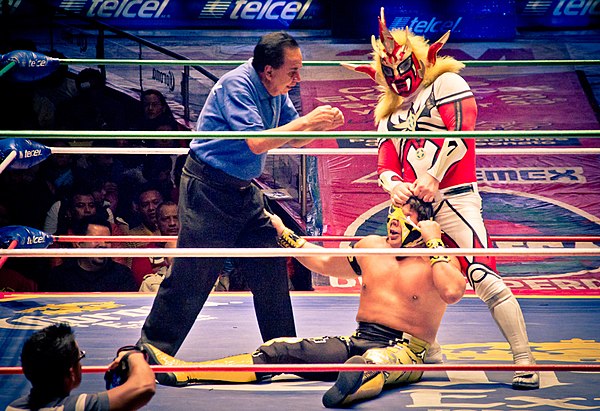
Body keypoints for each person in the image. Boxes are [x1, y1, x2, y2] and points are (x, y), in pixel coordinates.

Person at [346, 8, 538, 389]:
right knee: (415, 276)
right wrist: (393, 186)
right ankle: (426, 346)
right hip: (412, 206)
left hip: (454, 196)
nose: (400, 80)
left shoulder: (447, 84)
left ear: (418, 61)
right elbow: (385, 161)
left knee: (481, 274)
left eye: (404, 69)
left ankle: (524, 358)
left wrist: (433, 176)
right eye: (391, 75)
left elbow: (463, 134)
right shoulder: (387, 113)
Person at [141, 197, 466, 408]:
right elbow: (324, 262)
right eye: (392, 215)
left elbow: (453, 292)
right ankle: (186, 371)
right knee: (279, 349)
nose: (393, 222)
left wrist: (435, 239)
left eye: (403, 217)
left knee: (377, 361)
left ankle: (352, 385)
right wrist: (284, 233)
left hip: (406, 350)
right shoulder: (372, 247)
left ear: (423, 227)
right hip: (358, 340)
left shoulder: (436, 262)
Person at [138, 31, 345, 356]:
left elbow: (294, 139)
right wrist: (307, 121)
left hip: (243, 189)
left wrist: (320, 125)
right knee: (193, 274)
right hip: (207, 187)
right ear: (268, 70)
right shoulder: (238, 85)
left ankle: (283, 350)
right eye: (293, 70)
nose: (298, 77)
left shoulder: (277, 88)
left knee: (269, 264)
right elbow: (257, 142)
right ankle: (147, 351)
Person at [6, 323, 155, 411]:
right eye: (80, 357)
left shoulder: (13, 407)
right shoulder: (75, 407)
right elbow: (144, 387)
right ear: (71, 373)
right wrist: (133, 354)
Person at [41, 215, 137, 292]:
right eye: (96, 240)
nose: (103, 245)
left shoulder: (122, 274)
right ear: (78, 243)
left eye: (107, 240)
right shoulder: (60, 276)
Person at [131, 201, 179, 289]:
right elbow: (145, 284)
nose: (172, 223)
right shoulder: (144, 253)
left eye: (176, 218)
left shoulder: (196, 249)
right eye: (165, 219)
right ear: (157, 223)